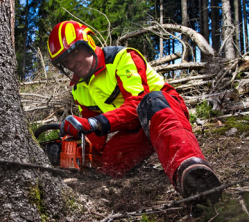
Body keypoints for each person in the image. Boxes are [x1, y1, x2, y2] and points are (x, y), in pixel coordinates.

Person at [47, 20, 222, 205]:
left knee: (151, 101)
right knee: (107, 163)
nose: (72, 64)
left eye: (74, 54)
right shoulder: (78, 89)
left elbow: (137, 104)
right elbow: (95, 135)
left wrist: (95, 123)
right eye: (65, 61)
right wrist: (75, 150)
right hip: (134, 128)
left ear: (88, 43)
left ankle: (191, 170)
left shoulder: (122, 58)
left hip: (164, 110)